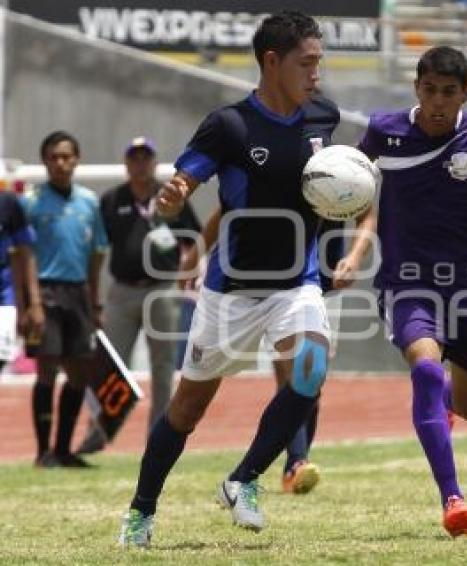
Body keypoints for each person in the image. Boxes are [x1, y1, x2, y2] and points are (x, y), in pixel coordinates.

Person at [119, 11, 375, 548]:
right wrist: (174, 194)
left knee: (309, 371)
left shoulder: (322, 118)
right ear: (271, 62)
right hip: (230, 291)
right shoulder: (230, 125)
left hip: (296, 282)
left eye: (319, 64)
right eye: (307, 64)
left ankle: (243, 479)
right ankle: (141, 512)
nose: (316, 75)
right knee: (186, 411)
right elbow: (188, 177)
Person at [356, 46, 467, 537]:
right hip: (406, 282)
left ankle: (447, 413)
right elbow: (350, 184)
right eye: (430, 90)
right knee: (425, 369)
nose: (438, 102)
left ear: (466, 93)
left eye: (449, 93)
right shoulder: (383, 132)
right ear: (417, 88)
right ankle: (452, 498)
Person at [178, 207, 343, 494]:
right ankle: (295, 462)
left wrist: (354, 256)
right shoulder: (278, 168)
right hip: (284, 279)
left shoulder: (343, 164)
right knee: (292, 373)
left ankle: (292, 462)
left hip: (326, 275)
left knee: (311, 380)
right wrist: (197, 252)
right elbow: (229, 203)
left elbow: (367, 214)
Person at [75, 137, 201, 455]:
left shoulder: (171, 196)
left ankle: (157, 439)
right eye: (135, 157)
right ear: (126, 163)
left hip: (162, 288)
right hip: (122, 290)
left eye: (146, 157)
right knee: (109, 364)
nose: (140, 163)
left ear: (155, 162)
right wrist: (95, 295)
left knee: (163, 367)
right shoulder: (112, 199)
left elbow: (196, 238)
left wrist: (190, 271)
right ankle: (97, 432)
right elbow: (98, 247)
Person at [22, 130, 109, 468]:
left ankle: (63, 449)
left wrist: (94, 299)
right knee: (46, 369)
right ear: (45, 160)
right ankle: (43, 452)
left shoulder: (89, 201)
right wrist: (32, 302)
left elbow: (97, 251)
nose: (61, 163)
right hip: (44, 291)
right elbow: (24, 254)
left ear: (77, 159)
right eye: (54, 157)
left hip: (78, 293)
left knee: (78, 374)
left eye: (67, 156)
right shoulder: (32, 202)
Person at [0, 192, 44, 374]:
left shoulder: (8, 203)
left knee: (2, 355)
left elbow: (25, 252)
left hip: (4, 295)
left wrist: (32, 303)